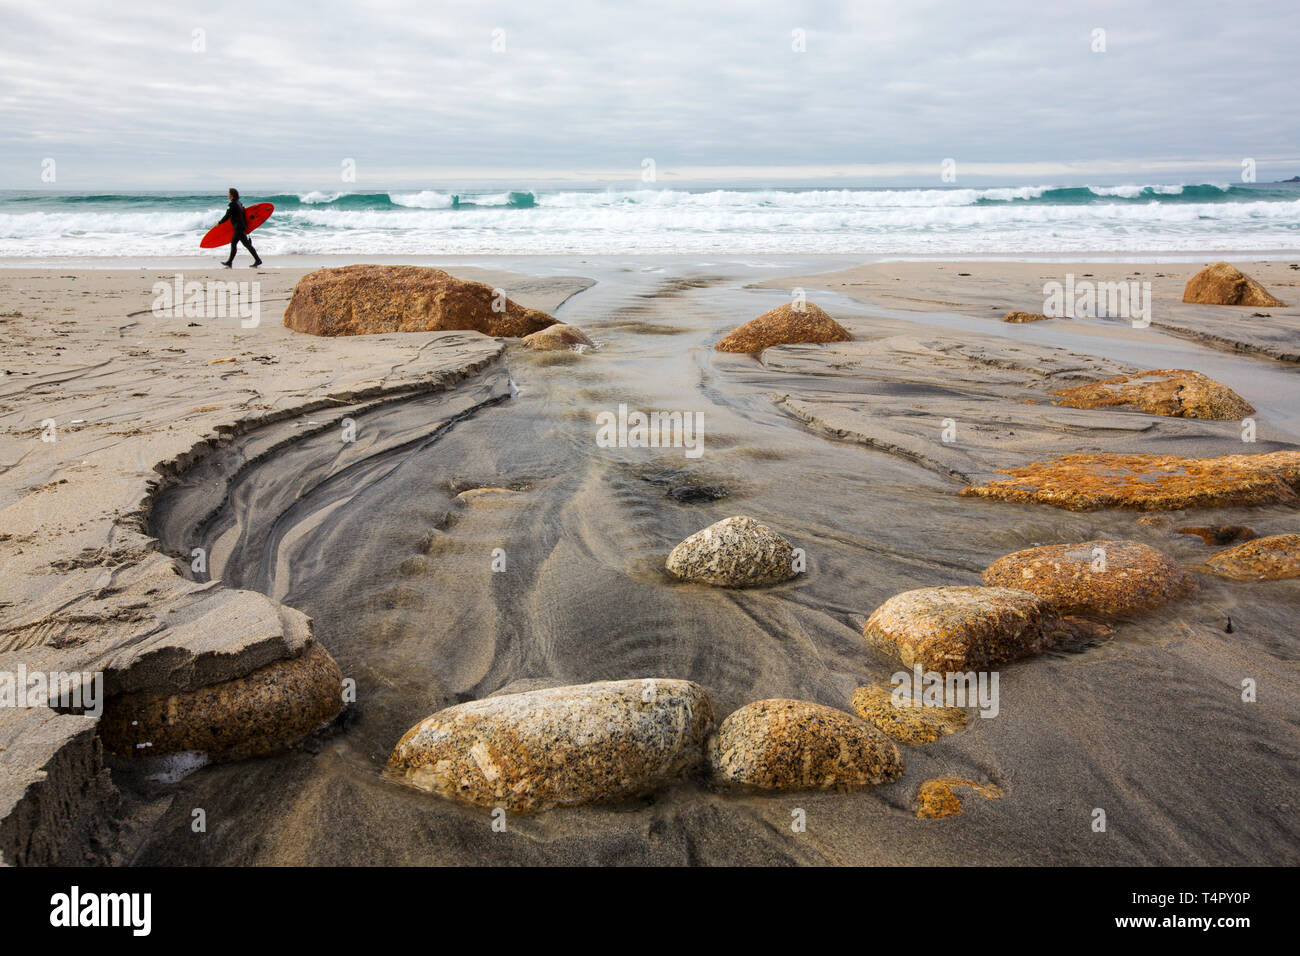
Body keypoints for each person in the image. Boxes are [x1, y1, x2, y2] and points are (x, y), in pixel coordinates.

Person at [218, 188, 263, 268]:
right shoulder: (239, 203)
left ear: (231, 195)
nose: (228, 195)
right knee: (236, 244)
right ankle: (230, 262)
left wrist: (220, 222)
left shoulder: (232, 204)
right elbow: (245, 215)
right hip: (241, 227)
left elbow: (227, 215)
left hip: (238, 228)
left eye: (228, 194)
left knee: (245, 245)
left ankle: (258, 260)